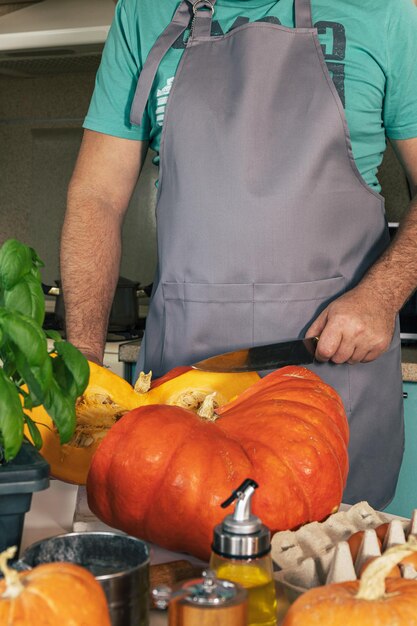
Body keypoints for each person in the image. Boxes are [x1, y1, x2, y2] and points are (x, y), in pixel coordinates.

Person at [61, 0, 417, 511]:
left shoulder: (383, 12)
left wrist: (381, 296)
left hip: (336, 375)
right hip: (182, 387)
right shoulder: (143, 12)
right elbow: (94, 195)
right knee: (177, 574)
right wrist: (85, 366)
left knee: (325, 578)